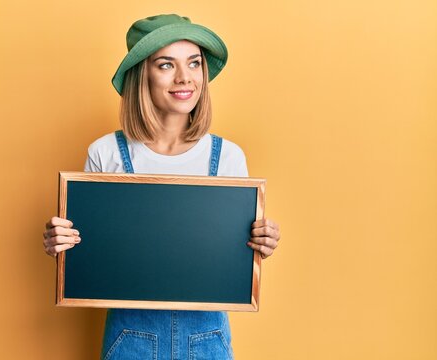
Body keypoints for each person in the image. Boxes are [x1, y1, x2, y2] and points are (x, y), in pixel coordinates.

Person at [42, 14, 281, 360]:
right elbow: (90, 256)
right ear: (143, 75)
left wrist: (261, 242)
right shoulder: (106, 154)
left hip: (207, 338)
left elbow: (232, 257)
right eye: (166, 64)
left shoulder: (227, 156)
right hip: (130, 338)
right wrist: (61, 243)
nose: (184, 77)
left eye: (194, 63)